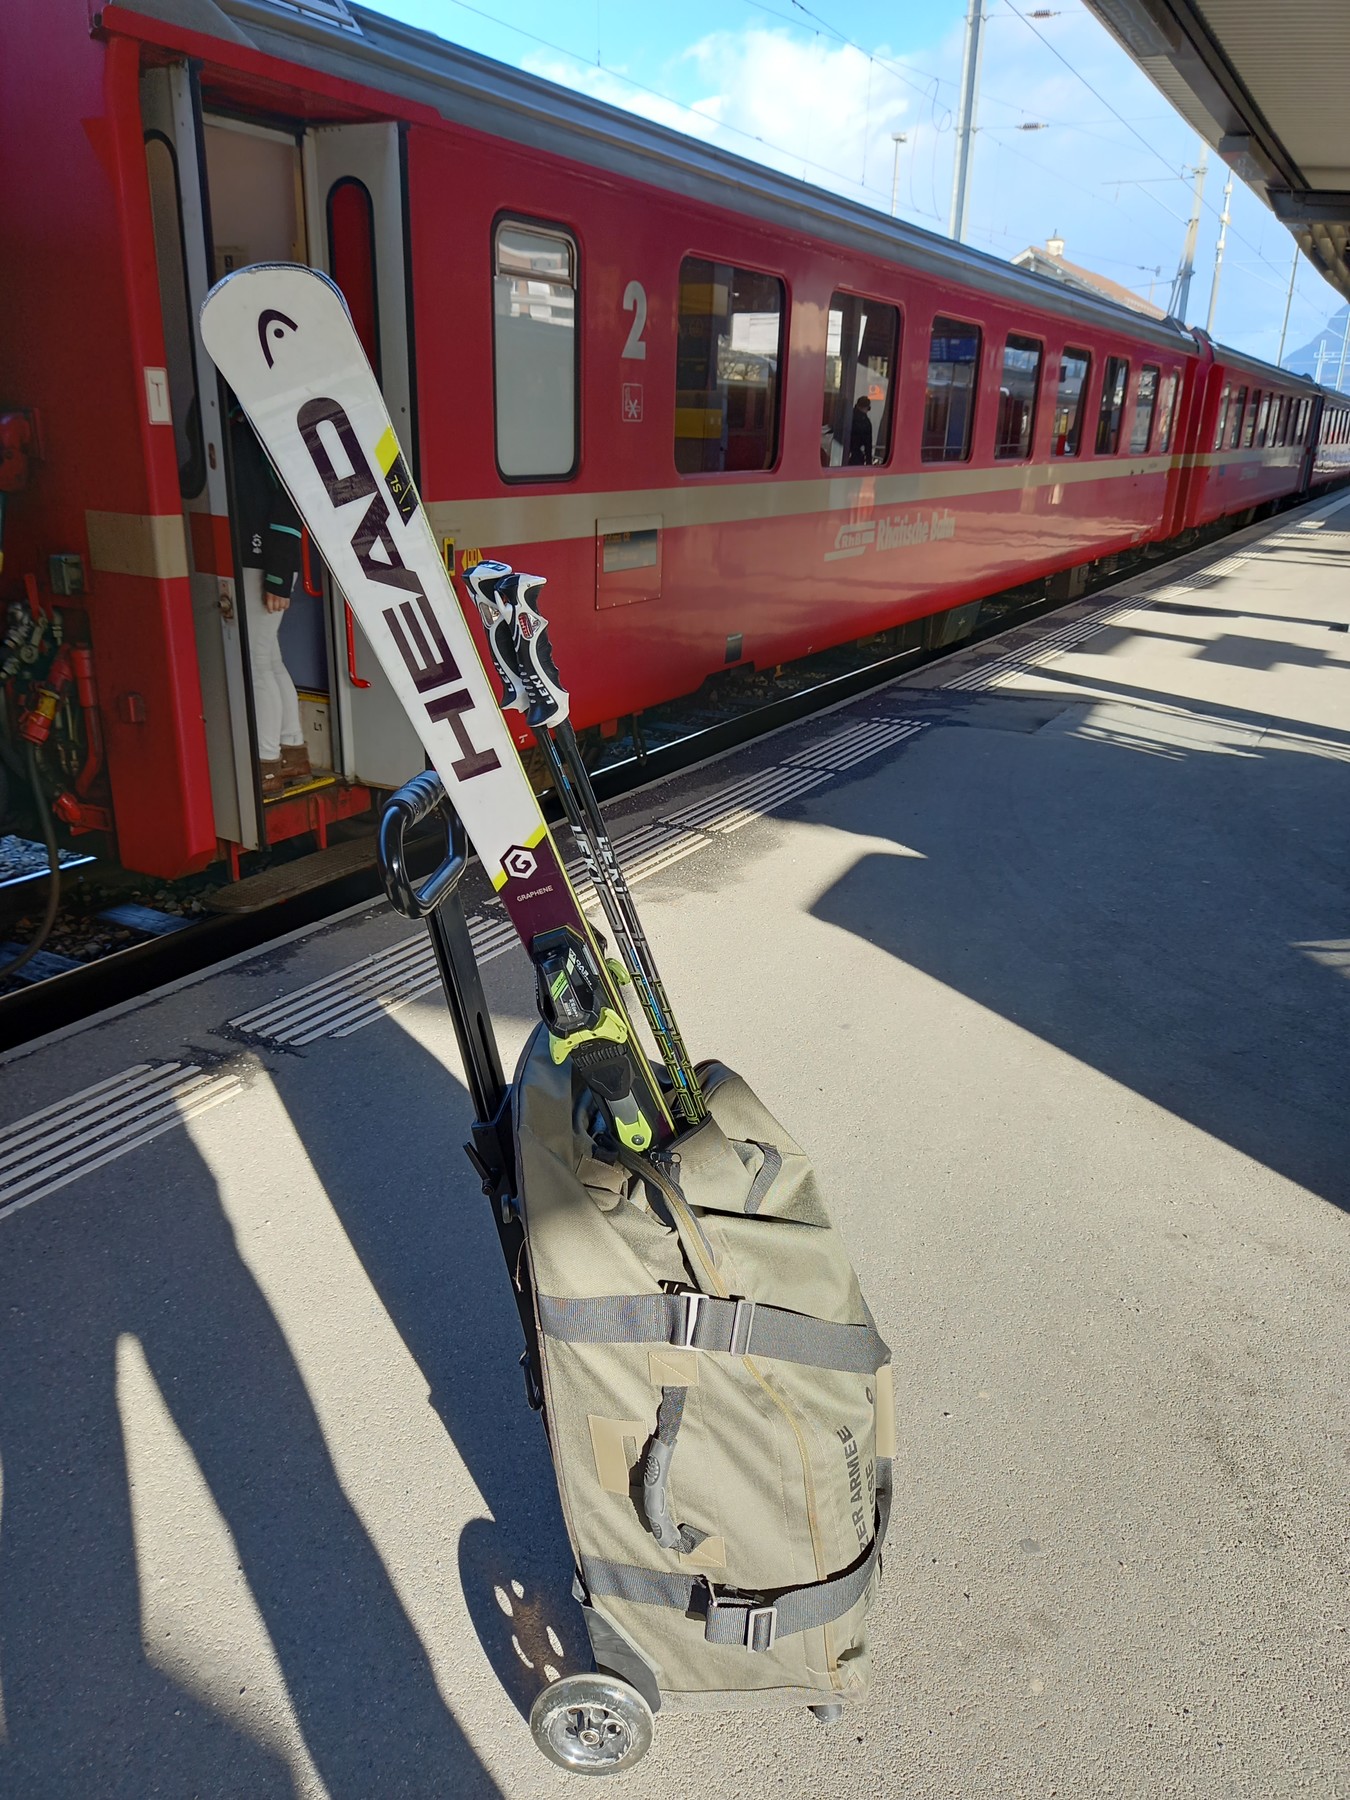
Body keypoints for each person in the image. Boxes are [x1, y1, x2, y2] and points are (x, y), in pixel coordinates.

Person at [230, 406, 311, 798]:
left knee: (257, 662)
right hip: (265, 560)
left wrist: (278, 574)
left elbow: (286, 503)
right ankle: (292, 752)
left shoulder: (257, 428)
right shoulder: (254, 424)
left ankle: (266, 766)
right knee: (269, 659)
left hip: (260, 561)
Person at [848, 395, 874, 466]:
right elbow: (868, 445)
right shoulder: (866, 423)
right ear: (867, 408)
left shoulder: (847, 416)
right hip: (856, 457)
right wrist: (869, 463)